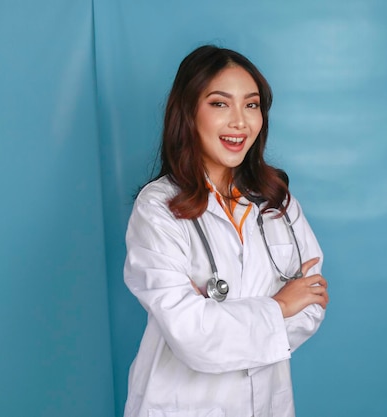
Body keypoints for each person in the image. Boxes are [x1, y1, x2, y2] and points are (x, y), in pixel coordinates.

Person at [123, 44, 329, 417]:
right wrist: (278, 306)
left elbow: (311, 306)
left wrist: (217, 323)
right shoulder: (157, 208)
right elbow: (189, 335)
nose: (240, 122)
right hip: (181, 404)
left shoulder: (276, 201)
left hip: (267, 401)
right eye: (220, 103)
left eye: (251, 105)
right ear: (188, 112)